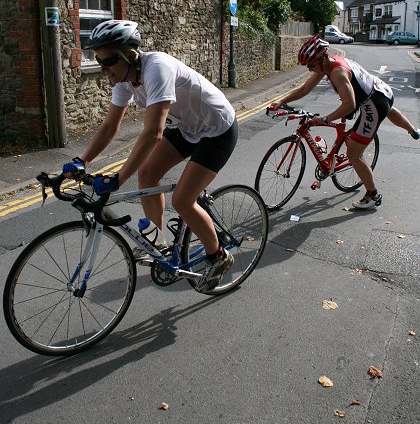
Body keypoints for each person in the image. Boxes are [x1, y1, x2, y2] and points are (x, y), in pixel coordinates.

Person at [63, 20, 238, 292]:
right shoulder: (125, 79)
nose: (103, 70)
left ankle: (218, 256)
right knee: (147, 174)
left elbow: (153, 132)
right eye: (98, 62)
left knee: (182, 199)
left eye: (107, 61)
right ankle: (159, 244)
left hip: (217, 128)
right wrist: (83, 160)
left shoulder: (157, 68)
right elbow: (110, 126)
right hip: (188, 127)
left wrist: (118, 179)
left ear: (129, 54)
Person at [272, 33, 420, 210]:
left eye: (311, 65)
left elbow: (350, 105)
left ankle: (373, 195)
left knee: (353, 155)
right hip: (381, 91)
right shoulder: (328, 64)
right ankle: (413, 130)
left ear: (321, 59)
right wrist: (281, 101)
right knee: (388, 111)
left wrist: (325, 119)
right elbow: (305, 88)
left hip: (373, 104)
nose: (309, 69)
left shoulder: (338, 73)